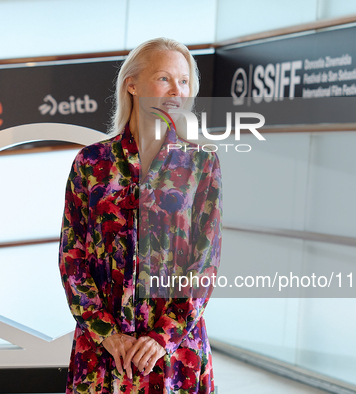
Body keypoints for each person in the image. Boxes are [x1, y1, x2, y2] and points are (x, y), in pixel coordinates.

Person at [58, 37, 222, 394]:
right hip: (105, 351)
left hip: (174, 351)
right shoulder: (91, 163)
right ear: (131, 84)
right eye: (164, 78)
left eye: (184, 80)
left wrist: (163, 336)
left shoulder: (201, 164)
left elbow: (205, 263)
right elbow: (73, 258)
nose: (176, 90)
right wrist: (106, 333)